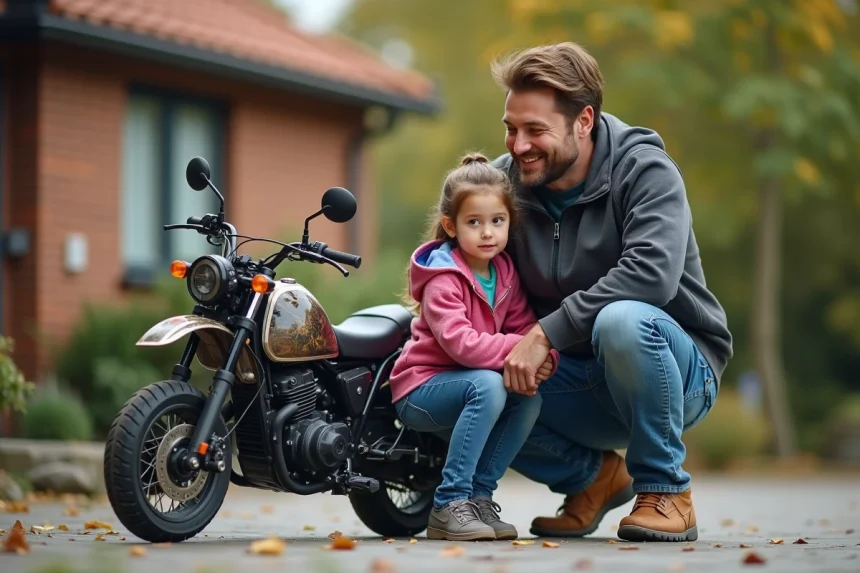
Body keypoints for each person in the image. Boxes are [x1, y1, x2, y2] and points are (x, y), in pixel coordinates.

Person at [486, 42, 734, 542]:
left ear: (584, 120)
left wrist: (544, 332)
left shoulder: (646, 171)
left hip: (675, 371)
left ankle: (666, 492)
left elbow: (652, 276)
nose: (518, 145)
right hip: (572, 378)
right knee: (460, 378)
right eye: (511, 128)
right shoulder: (501, 185)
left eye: (536, 130)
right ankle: (592, 479)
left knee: (622, 319)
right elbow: (462, 270)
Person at [388, 152, 559, 541]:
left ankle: (478, 497)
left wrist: (543, 356)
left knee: (528, 399)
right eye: (474, 223)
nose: (487, 233)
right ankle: (449, 502)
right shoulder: (442, 279)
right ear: (451, 226)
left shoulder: (504, 272)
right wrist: (521, 350)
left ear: (509, 221)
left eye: (497, 221)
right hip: (421, 389)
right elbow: (462, 345)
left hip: (469, 384)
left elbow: (524, 327)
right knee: (488, 384)